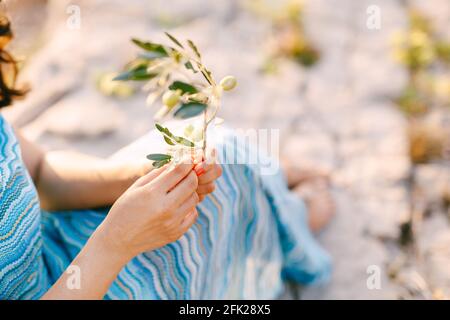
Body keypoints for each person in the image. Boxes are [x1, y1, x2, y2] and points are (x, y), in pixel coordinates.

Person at [0, 14, 333, 300]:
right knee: (235, 216)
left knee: (221, 152)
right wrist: (116, 242)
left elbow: (41, 173)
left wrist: (134, 174)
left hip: (58, 255)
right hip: (82, 281)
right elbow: (110, 246)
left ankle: (271, 185)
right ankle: (291, 217)